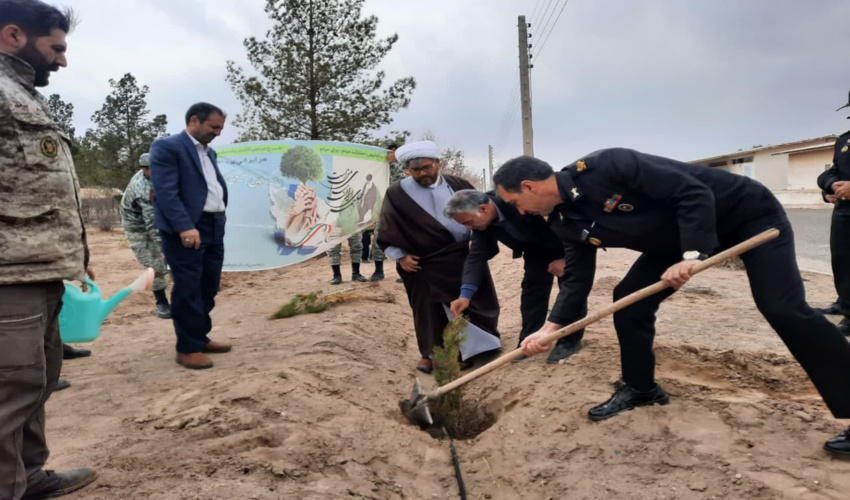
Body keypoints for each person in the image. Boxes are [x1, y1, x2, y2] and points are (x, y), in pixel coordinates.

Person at [494, 149, 850, 456]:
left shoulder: (607, 165)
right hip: (672, 242)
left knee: (783, 308)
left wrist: (693, 254)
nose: (520, 212)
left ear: (529, 186)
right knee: (628, 303)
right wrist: (551, 329)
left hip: (745, 216)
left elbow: (691, 191)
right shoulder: (561, 221)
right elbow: (577, 279)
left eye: (515, 203)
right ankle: (641, 389)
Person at [0, 1, 98, 497]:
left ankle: (29, 476)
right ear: (14, 35)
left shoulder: (21, 94)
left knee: (35, 385)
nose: (62, 61)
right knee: (8, 395)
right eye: (56, 48)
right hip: (7, 279)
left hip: (38, 272)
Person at [377, 141, 500, 373]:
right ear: (407, 170)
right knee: (428, 310)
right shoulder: (397, 193)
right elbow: (387, 228)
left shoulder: (459, 185)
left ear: (438, 163)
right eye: (415, 170)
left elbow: (481, 213)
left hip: (463, 257)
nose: (422, 173)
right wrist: (400, 256)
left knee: (470, 303)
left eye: (426, 167)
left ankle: (472, 351)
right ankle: (431, 354)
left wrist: (478, 237)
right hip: (424, 264)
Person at [444, 189, 584, 363]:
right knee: (532, 293)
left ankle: (569, 340)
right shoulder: (482, 223)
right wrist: (465, 295)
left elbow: (573, 226)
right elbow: (476, 257)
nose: (468, 228)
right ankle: (529, 339)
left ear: (483, 209)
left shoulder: (521, 201)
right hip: (535, 249)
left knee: (570, 290)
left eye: (468, 222)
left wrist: (566, 259)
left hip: (567, 244)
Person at [149, 103, 232, 370]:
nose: (218, 133)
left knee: (209, 284)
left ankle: (199, 336)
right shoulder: (167, 147)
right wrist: (185, 226)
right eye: (214, 127)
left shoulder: (210, 153)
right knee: (188, 286)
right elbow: (166, 192)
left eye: (221, 128)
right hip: (186, 229)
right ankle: (186, 347)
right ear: (194, 120)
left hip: (213, 225)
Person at [815, 91, 850, 336]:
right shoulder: (844, 141)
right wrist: (831, 186)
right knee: (842, 258)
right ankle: (845, 302)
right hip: (844, 209)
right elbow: (831, 172)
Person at [120, 153, 171, 318]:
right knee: (154, 264)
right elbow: (152, 224)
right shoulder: (144, 189)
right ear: (144, 170)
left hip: (159, 220)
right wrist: (163, 247)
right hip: (138, 228)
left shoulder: (155, 176)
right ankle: (161, 303)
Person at [367, 140, 407, 282]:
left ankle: (402, 272)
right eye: (387, 150)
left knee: (400, 239)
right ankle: (378, 271)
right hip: (381, 209)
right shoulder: (376, 168)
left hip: (398, 209)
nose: (390, 152)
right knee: (379, 238)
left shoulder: (402, 166)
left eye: (392, 149)